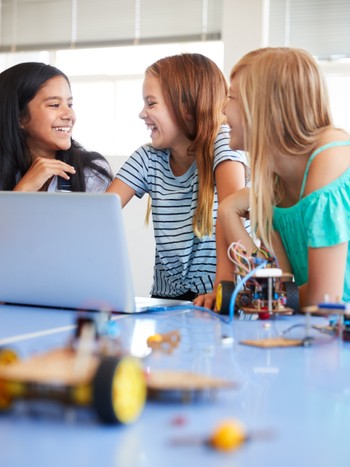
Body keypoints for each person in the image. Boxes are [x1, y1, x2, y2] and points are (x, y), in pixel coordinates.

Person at [107, 53, 249, 300]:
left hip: (223, 293)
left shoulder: (222, 142)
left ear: (187, 108)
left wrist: (222, 290)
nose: (142, 114)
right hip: (167, 298)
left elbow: (231, 215)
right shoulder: (148, 158)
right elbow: (100, 212)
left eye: (151, 103)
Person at [216, 47, 350, 307]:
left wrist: (275, 296)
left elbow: (323, 300)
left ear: (263, 107)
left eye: (231, 97)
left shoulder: (329, 158)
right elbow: (279, 286)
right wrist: (227, 211)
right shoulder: (274, 179)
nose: (223, 109)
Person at [0, 62, 112, 192]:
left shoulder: (91, 173)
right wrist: (23, 190)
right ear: (20, 117)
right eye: (54, 105)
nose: (70, 115)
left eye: (70, 104)